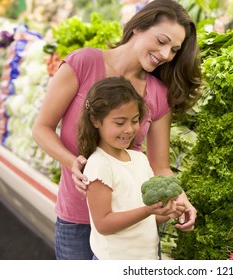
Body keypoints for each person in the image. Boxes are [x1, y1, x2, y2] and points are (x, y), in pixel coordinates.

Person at [32, 0, 201, 260]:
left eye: (174, 49)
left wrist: (180, 196)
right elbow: (41, 128)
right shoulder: (83, 63)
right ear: (138, 28)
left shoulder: (158, 94)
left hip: (131, 225)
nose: (166, 54)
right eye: (162, 40)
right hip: (76, 221)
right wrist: (72, 161)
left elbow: (160, 165)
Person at [78, 76, 184, 260]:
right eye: (120, 123)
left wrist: (167, 212)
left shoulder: (139, 158)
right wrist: (148, 210)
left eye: (135, 120)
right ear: (95, 120)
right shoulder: (99, 164)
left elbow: (144, 221)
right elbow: (103, 224)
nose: (129, 129)